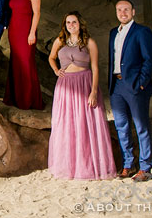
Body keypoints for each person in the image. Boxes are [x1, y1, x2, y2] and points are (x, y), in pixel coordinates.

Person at [47, 11, 116, 180]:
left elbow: (95, 68)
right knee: (66, 124)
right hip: (65, 86)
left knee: (86, 124)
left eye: (74, 22)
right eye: (68, 22)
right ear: (65, 25)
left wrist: (93, 91)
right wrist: (56, 70)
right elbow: (51, 57)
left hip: (84, 84)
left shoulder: (89, 43)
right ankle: (68, 166)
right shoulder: (60, 41)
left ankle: (88, 166)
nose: (71, 25)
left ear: (80, 24)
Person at [109, 0, 152, 182]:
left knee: (141, 126)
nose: (123, 13)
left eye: (126, 9)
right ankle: (128, 164)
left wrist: (142, 83)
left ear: (133, 11)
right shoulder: (113, 33)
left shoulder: (142, 32)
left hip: (135, 86)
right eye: (119, 10)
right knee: (122, 126)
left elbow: (149, 59)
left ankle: (145, 167)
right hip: (117, 86)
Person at [3, 0, 44, 110]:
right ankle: (15, 98)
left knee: (26, 64)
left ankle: (27, 100)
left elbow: (37, 13)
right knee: (16, 63)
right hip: (14, 31)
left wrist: (32, 32)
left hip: (27, 32)